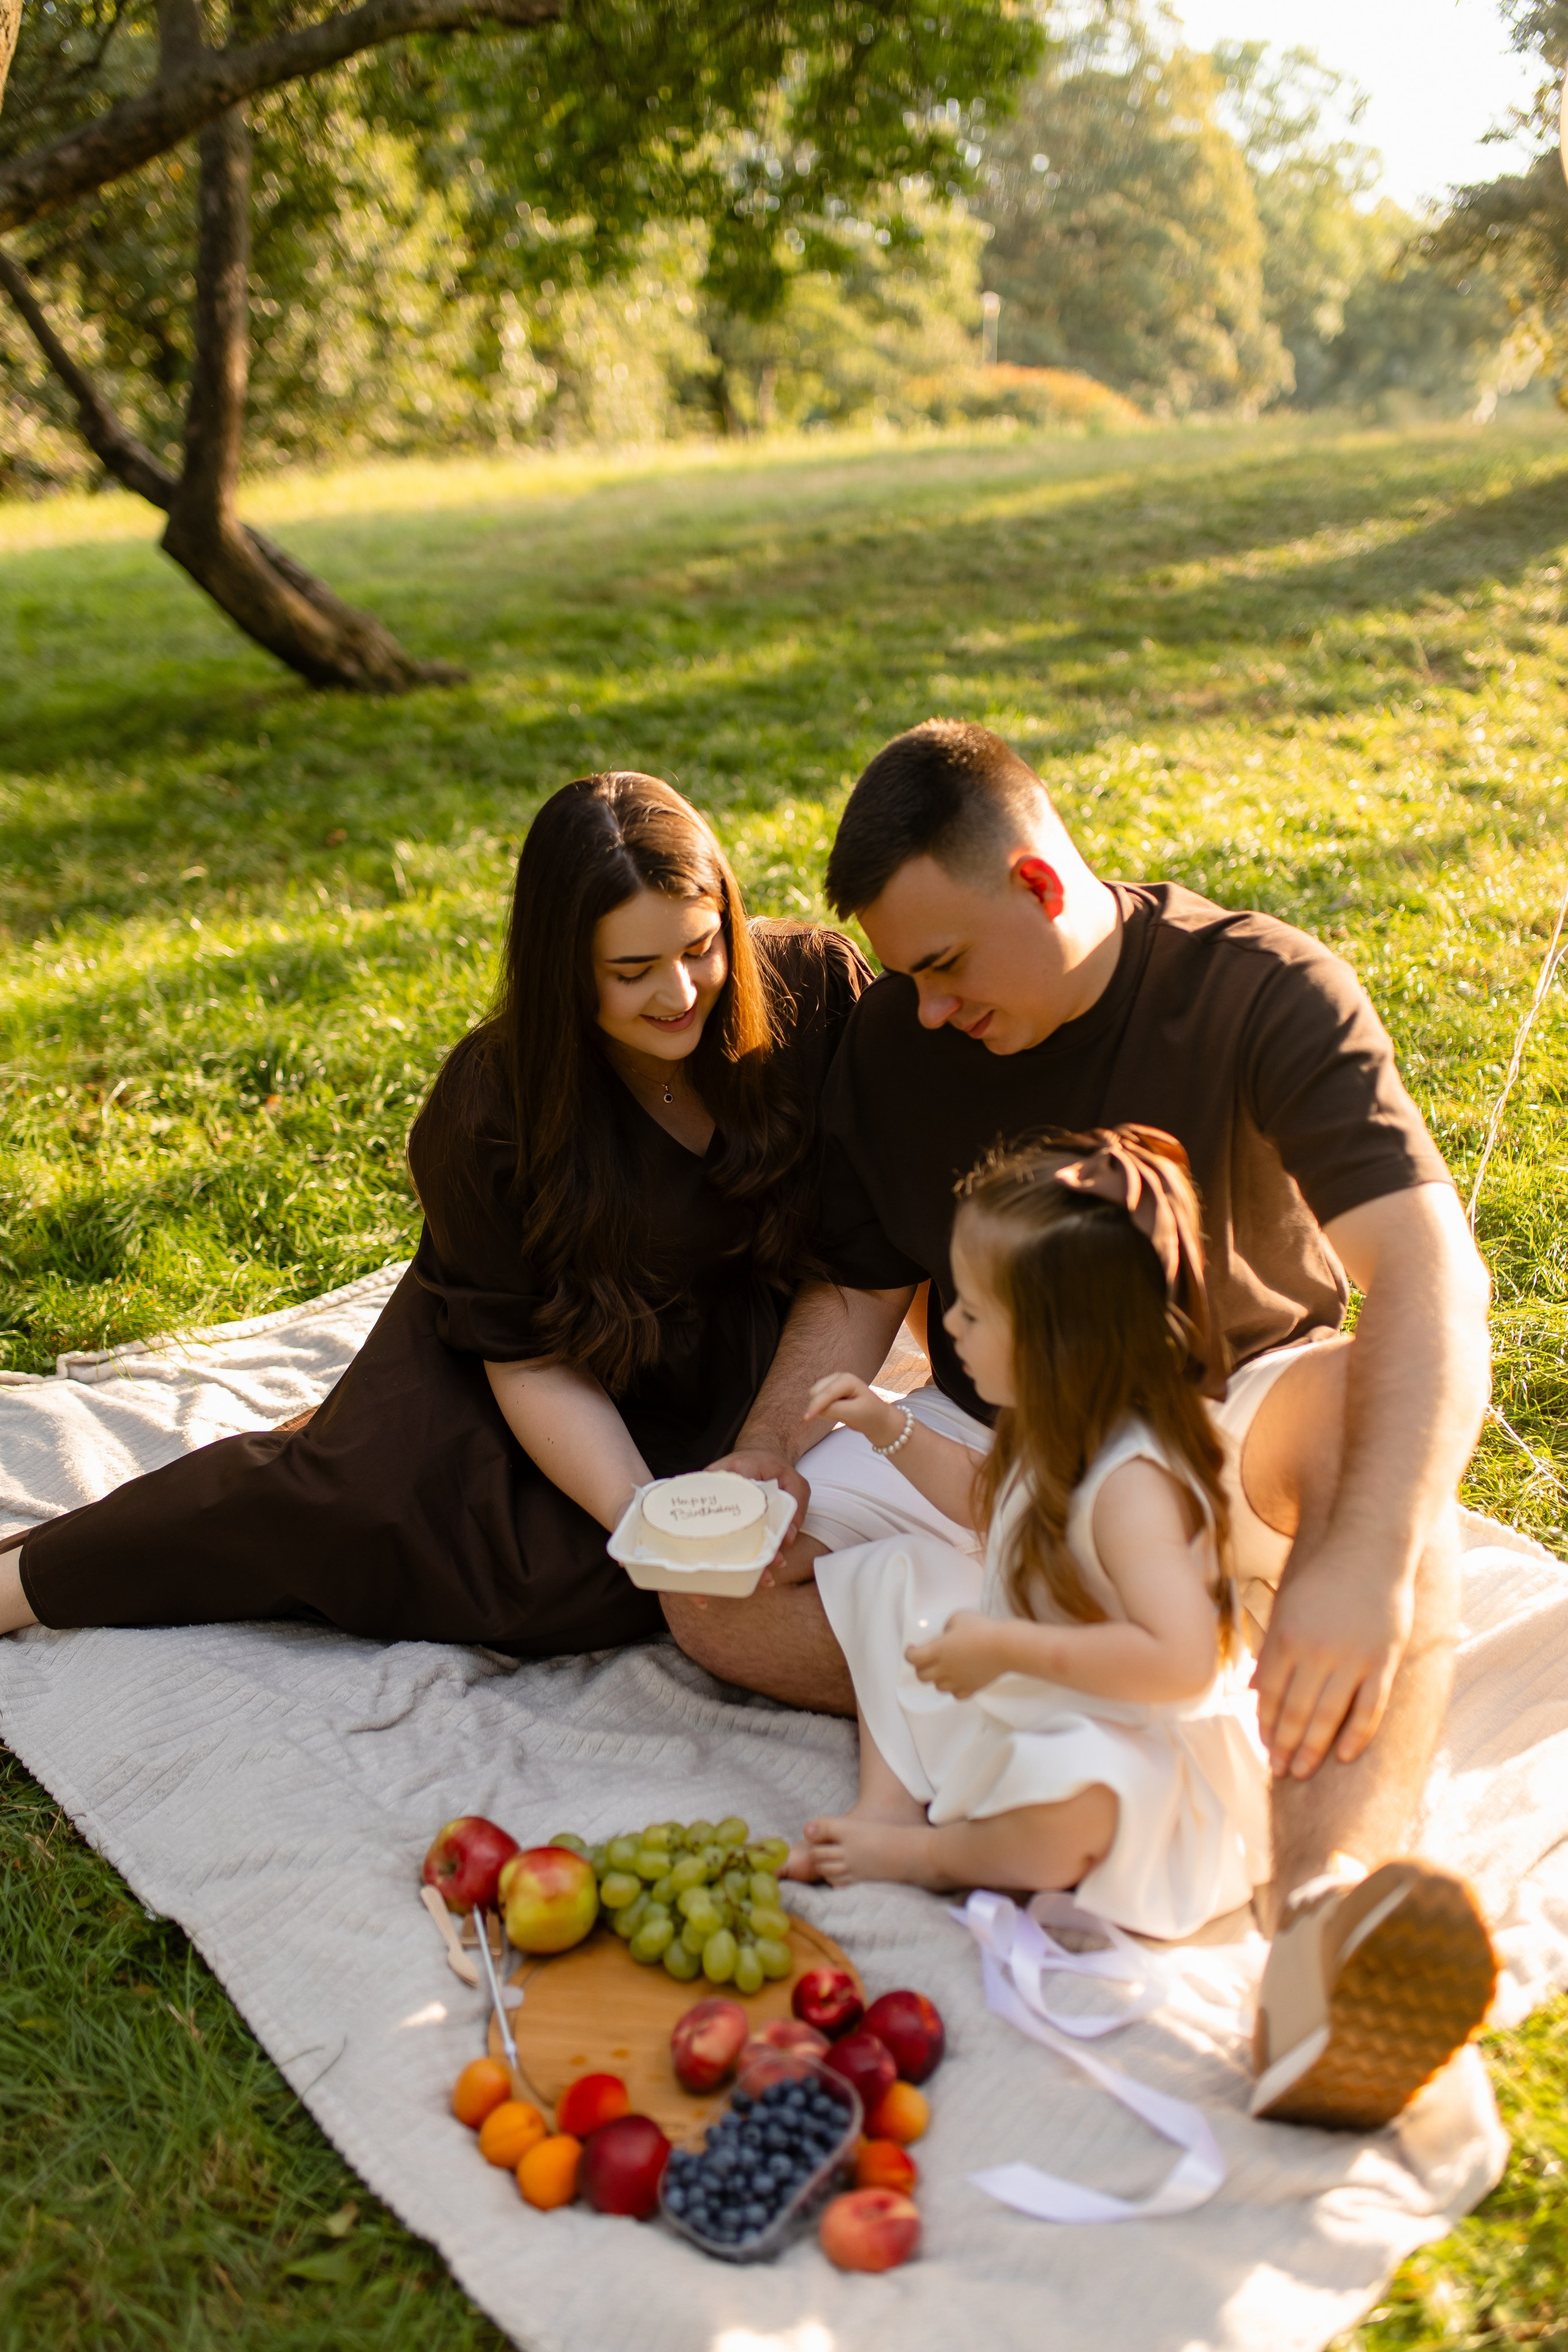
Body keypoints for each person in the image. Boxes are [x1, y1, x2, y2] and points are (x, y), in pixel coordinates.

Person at [662, 718, 1498, 2130]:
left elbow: (1427, 1275)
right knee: (711, 1585)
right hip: (998, 1461)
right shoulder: (894, 1036)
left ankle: (1314, 1927)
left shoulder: (1261, 990)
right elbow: (862, 1277)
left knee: (1384, 1462)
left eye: (941, 966)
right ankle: (1098, 1711)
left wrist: (1355, 1564)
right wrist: (765, 1457)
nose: (923, 1009)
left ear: (1040, 889)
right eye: (905, 975)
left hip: (1222, 1430)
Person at [0, 773, 868, 1660]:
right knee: (404, 1539)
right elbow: (525, 1356)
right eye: (632, 972)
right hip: (544, 1360)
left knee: (678, 1582)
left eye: (700, 948)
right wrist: (640, 1516)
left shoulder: (816, 992)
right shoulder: (493, 1106)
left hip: (742, 1363)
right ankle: (22, 1581)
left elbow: (879, 1245)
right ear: (562, 969)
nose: (680, 993)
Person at [786, 1128, 1272, 1944]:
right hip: (1054, 1687)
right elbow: (992, 1506)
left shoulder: (1132, 1488)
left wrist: (1008, 1651)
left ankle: (939, 1857)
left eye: (974, 1312)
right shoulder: (1052, 1420)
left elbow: (1181, 1662)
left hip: (1135, 1740)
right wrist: (881, 1427)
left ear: (1056, 1340)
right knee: (892, 1574)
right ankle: (890, 1804)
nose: (948, 1324)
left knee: (1071, 1785)